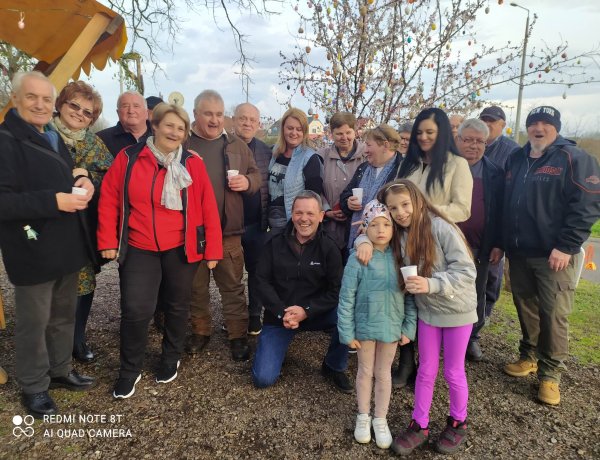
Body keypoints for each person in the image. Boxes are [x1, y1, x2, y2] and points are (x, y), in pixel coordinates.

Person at [98, 103, 222, 399]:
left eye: (180, 128)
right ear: (155, 125)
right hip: (140, 246)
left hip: (180, 247)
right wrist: (106, 241)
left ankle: (170, 356)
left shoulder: (192, 163)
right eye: (169, 126)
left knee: (178, 306)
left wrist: (212, 249)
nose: (174, 132)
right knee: (136, 310)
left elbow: (207, 206)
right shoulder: (129, 159)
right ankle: (130, 369)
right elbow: (109, 198)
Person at [355, 179, 477, 456]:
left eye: (405, 205)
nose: (400, 212)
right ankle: (419, 424)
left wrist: (431, 284)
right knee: (426, 370)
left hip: (457, 311)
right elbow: (371, 231)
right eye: (393, 208)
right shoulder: (399, 233)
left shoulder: (442, 228)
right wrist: (362, 238)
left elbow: (467, 271)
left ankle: (458, 421)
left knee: (453, 371)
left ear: (418, 200)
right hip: (428, 312)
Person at [0, 71, 96, 418]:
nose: (40, 105)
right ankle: (34, 385)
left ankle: (59, 370)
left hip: (64, 246)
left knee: (61, 317)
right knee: (33, 322)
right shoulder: (6, 140)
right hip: (31, 247)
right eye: (31, 97)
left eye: (45, 98)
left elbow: (64, 172)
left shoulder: (51, 135)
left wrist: (82, 177)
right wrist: (54, 201)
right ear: (15, 99)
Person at [502, 106, 600, 406]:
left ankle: (550, 375)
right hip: (519, 252)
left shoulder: (575, 158)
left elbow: (587, 204)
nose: (538, 128)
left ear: (556, 128)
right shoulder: (517, 158)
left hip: (554, 254)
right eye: (533, 123)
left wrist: (567, 245)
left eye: (546, 123)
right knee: (527, 307)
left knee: (554, 314)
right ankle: (529, 356)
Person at [394, 108, 473, 387]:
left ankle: (431, 364)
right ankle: (406, 360)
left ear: (442, 134)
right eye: (420, 133)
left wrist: (424, 215)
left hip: (435, 244)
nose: (424, 137)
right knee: (405, 297)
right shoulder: (410, 164)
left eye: (430, 132)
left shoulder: (456, 165)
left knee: (427, 296)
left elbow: (462, 208)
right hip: (403, 242)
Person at [185, 90, 261, 361]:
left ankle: (237, 336)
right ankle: (201, 331)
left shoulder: (235, 144)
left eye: (219, 114)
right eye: (208, 113)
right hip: (192, 232)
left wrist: (248, 183)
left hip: (228, 231)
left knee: (232, 286)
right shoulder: (183, 143)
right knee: (196, 287)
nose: (214, 120)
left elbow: (256, 176)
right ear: (196, 114)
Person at [252, 191, 352, 393]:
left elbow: (337, 290)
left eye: (310, 213)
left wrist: (307, 310)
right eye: (298, 213)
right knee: (263, 379)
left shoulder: (330, 246)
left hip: (316, 313)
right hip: (281, 315)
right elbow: (261, 281)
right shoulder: (274, 242)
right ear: (291, 213)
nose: (304, 219)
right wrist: (282, 312)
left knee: (348, 315)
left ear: (321, 216)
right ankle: (278, 347)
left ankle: (333, 365)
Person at [338, 200, 417, 449]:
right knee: (364, 372)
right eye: (374, 224)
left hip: (391, 327)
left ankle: (380, 419)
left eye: (386, 224)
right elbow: (346, 297)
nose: (380, 230)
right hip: (364, 327)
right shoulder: (358, 258)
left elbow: (411, 297)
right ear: (365, 228)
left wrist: (408, 328)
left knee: (384, 374)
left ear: (394, 228)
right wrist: (346, 331)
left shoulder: (402, 259)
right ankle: (363, 415)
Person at [50, 81, 113, 364]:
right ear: (60, 104)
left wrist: (88, 176)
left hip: (81, 227)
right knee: (47, 287)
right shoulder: (44, 134)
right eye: (74, 105)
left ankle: (77, 339)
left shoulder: (91, 141)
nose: (79, 114)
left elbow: (109, 175)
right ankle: (52, 348)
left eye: (87, 112)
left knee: (84, 283)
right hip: (47, 223)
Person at [455, 119, 504, 361]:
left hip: (480, 246)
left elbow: (500, 212)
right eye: (469, 140)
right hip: (446, 244)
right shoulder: (445, 168)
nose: (474, 145)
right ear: (458, 140)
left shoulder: (495, 173)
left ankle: (470, 338)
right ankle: (438, 334)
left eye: (480, 141)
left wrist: (498, 244)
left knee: (477, 292)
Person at [478, 105, 520, 337]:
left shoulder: (512, 151)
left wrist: (501, 239)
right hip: (471, 225)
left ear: (502, 125)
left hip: (496, 225)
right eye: (483, 119)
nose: (487, 124)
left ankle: (480, 323)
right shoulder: (471, 145)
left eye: (492, 121)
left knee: (491, 278)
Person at [232, 102, 271, 335]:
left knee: (257, 272)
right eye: (242, 118)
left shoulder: (266, 151)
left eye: (252, 120)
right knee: (232, 274)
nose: (247, 123)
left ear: (258, 125)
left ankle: (255, 313)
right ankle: (236, 315)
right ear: (234, 120)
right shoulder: (223, 148)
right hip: (230, 225)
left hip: (257, 223)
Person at [340, 124, 403, 250]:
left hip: (387, 245)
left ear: (385, 145)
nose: (365, 150)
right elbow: (345, 194)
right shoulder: (363, 168)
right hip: (356, 239)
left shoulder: (402, 170)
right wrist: (348, 202)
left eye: (369, 145)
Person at [268, 107, 323, 232]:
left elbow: (313, 195)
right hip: (271, 220)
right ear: (283, 129)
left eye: (299, 129)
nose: (294, 133)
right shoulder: (274, 152)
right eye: (290, 128)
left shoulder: (310, 158)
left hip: (292, 222)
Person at [318, 112, 366, 256]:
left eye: (348, 132)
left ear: (355, 131)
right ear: (331, 134)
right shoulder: (322, 156)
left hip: (358, 226)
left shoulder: (366, 155)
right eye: (339, 133)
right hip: (329, 227)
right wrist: (327, 210)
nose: (344, 138)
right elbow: (316, 188)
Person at [97, 90, 152, 157]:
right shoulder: (100, 140)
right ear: (118, 113)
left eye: (136, 106)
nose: (131, 111)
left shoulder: (160, 137)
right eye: (125, 106)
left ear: (146, 113)